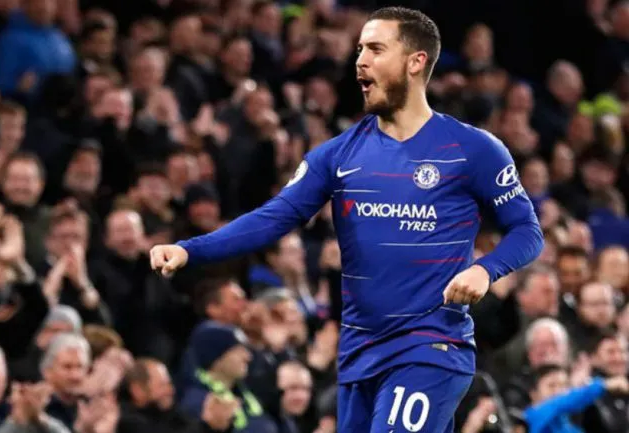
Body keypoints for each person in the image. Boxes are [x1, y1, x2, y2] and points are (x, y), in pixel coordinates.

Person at [150, 6, 543, 433]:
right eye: (359, 49)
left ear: (416, 62)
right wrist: (190, 249)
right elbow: (273, 218)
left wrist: (486, 270)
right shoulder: (338, 155)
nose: (360, 60)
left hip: (430, 347)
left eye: (375, 48)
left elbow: (527, 230)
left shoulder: (473, 149)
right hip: (359, 355)